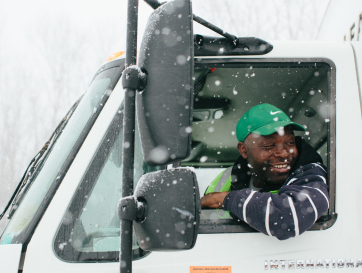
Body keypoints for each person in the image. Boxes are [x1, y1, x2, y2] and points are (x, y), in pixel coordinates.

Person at [201, 103, 329, 240]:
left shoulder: (312, 173)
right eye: (269, 146)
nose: (284, 153)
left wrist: (225, 199)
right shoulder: (226, 178)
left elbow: (287, 220)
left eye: (290, 143)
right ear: (244, 150)